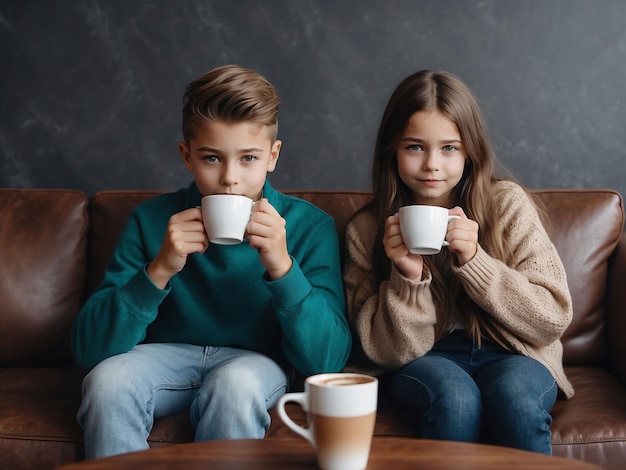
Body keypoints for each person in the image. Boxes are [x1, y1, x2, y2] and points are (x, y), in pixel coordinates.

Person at [71, 64, 352, 459]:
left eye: (249, 158)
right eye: (212, 158)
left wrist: (283, 267)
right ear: (187, 156)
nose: (230, 179)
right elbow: (89, 350)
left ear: (273, 156)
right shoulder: (150, 221)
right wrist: (160, 269)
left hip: (255, 363)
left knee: (235, 387)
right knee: (107, 382)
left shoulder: (308, 226)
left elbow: (326, 361)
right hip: (161, 357)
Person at [343, 70, 573, 454]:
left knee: (515, 400)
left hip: (512, 353)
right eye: (415, 147)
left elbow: (551, 317)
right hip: (425, 358)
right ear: (392, 151)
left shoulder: (506, 205)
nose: (432, 164)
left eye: (449, 147)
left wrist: (476, 261)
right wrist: (407, 278)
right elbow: (377, 351)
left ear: (470, 151)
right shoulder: (367, 229)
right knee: (455, 400)